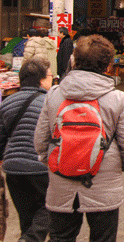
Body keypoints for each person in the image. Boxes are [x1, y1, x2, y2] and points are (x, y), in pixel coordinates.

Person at [34, 35, 124, 242]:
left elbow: (40, 140)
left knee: (61, 237)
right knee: (103, 238)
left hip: (61, 177)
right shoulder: (116, 98)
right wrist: (121, 167)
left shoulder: (54, 94)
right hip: (104, 180)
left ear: (74, 61)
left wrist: (54, 163)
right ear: (108, 66)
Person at [0, 57, 53, 242]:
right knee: (50, 206)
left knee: (26, 217)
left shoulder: (7, 102)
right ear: (40, 79)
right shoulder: (49, 103)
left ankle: (27, 237)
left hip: (13, 169)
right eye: (49, 76)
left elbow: (1, 137)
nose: (52, 79)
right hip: (39, 167)